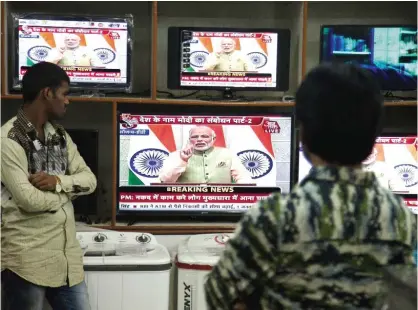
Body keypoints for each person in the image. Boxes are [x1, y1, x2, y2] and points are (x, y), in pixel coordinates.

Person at [204, 63, 416, 309]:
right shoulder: (401, 218)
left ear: (303, 133)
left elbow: (218, 296)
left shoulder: (275, 216)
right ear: (375, 136)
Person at [1, 62, 97, 310]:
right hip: (26, 263)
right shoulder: (8, 139)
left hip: (67, 263)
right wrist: (67, 195)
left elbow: (90, 180)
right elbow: (28, 200)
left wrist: (58, 182)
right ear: (47, 93)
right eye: (65, 93)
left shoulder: (60, 136)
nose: (68, 101)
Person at [159, 126, 253, 184]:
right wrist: (182, 160)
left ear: (213, 139)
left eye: (205, 136)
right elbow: (165, 182)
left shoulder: (228, 154)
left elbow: (244, 179)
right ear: (189, 139)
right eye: (195, 137)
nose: (199, 139)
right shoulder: (175, 155)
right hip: (187, 204)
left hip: (222, 203)